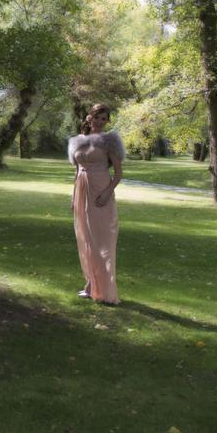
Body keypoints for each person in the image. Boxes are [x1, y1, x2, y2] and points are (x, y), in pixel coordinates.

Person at [68, 103, 124, 305]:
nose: (100, 122)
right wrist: (73, 196)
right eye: (97, 117)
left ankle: (105, 290)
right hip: (82, 191)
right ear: (89, 118)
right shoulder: (77, 141)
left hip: (101, 191)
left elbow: (118, 174)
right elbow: (76, 171)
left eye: (104, 119)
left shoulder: (109, 141)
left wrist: (107, 194)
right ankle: (91, 284)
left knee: (102, 241)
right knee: (85, 239)